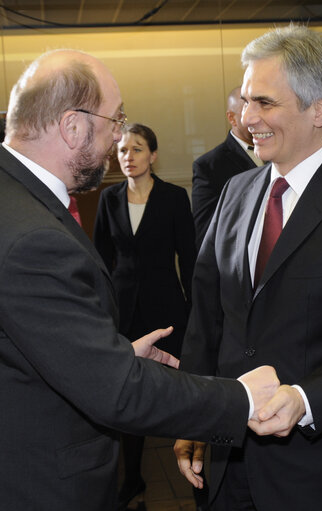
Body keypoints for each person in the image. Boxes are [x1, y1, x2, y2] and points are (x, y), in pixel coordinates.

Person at [0, 48, 280, 511]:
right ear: (72, 127)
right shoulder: (32, 237)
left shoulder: (17, 199)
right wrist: (241, 399)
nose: (118, 137)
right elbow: (119, 392)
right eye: (116, 120)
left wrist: (108, 356)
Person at [175, 24, 322, 511]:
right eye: (246, 102)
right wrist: (193, 418)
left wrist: (308, 399)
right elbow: (207, 322)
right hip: (225, 467)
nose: (247, 119)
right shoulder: (237, 192)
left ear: (320, 109)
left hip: (316, 473)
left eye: (264, 103)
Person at [93, 123, 196, 509]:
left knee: (181, 390)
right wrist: (102, 310)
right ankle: (133, 477)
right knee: (128, 392)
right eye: (122, 151)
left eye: (136, 150)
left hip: (168, 307)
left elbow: (188, 257)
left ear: (152, 155)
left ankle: (192, 462)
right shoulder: (109, 198)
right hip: (124, 311)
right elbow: (100, 259)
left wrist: (194, 310)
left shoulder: (173, 198)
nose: (128, 157)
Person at [192, 86, 263, 249]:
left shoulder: (279, 153)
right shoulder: (209, 166)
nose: (257, 120)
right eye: (247, 111)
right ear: (231, 118)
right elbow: (205, 233)